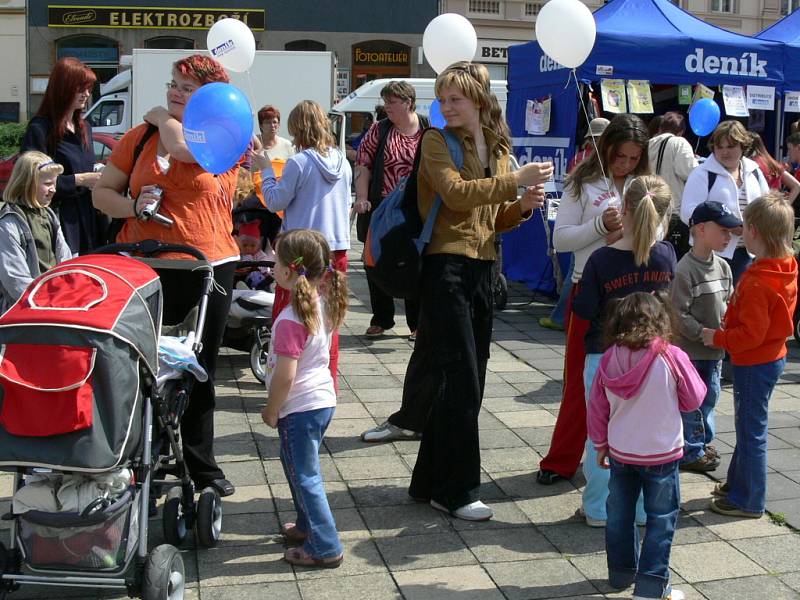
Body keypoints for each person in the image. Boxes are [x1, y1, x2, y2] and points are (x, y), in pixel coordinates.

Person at [403, 61, 552, 521]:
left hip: (483, 269)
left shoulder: (499, 145)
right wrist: (515, 183)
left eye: (456, 99)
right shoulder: (434, 140)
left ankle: (428, 481)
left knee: (470, 381)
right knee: (463, 381)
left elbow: (494, 217)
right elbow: (456, 195)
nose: (446, 107)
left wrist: (521, 207)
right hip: (445, 267)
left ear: (481, 101)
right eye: (444, 99)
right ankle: (458, 490)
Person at [93, 54, 239, 498]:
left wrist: (162, 118)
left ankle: (201, 466)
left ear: (210, 98)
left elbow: (181, 149)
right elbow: (103, 193)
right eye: (172, 84)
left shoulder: (222, 137)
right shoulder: (138, 139)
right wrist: (134, 207)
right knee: (137, 366)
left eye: (187, 88)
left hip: (206, 264)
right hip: (143, 264)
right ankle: (136, 458)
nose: (175, 93)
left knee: (198, 371)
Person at [537, 114, 650, 486]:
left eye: (634, 159)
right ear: (606, 149)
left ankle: (625, 459)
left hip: (634, 295)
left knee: (633, 383)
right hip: (588, 290)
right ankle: (561, 458)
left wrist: (637, 228)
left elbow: (660, 232)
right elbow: (561, 240)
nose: (626, 165)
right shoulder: (582, 182)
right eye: (620, 157)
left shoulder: (644, 184)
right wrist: (600, 227)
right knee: (578, 383)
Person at [573, 175, 677, 527]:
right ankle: (643, 510)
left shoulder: (601, 260)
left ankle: (600, 508)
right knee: (646, 435)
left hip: (606, 358)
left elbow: (584, 309)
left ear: (624, 209)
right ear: (664, 213)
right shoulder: (666, 256)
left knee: (600, 434)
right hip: (654, 360)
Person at [588, 292, 705, 600]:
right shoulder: (671, 355)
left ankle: (621, 574)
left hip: (621, 452)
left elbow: (597, 407)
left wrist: (600, 443)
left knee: (619, 514)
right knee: (661, 520)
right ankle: (651, 588)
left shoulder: (609, 358)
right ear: (661, 320)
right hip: (661, 453)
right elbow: (694, 399)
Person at [701, 193, 798, 518]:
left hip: (754, 362)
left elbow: (749, 336)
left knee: (751, 431)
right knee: (749, 426)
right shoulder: (784, 266)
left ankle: (749, 500)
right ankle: (737, 484)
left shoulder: (758, 281)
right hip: (772, 357)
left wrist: (717, 336)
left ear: (754, 232)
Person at [261, 228, 348, 568]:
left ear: (288, 271)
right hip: (320, 402)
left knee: (305, 476)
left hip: (299, 408)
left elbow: (286, 376)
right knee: (297, 466)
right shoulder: (318, 302)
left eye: (275, 261)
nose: (270, 267)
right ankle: (305, 525)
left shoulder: (289, 319)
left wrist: (271, 410)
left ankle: (325, 547)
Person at [252, 99, 351, 387]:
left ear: (297, 128)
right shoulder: (342, 161)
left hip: (302, 249)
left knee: (292, 315)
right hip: (336, 247)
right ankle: (326, 383)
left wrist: (266, 171)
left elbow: (274, 202)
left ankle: (288, 381)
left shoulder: (299, 162)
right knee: (330, 322)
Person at [354, 81, 428, 339]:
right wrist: (362, 198)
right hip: (383, 208)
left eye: (392, 102)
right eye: (385, 102)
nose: (387, 108)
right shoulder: (380, 129)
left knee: (414, 262)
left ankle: (417, 323)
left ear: (408, 102)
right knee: (376, 261)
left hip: (415, 209)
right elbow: (363, 165)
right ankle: (382, 318)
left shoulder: (428, 128)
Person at [669, 201, 738, 474]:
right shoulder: (685, 269)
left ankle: (703, 442)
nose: (728, 237)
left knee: (711, 397)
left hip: (715, 351)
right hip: (692, 352)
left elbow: (729, 303)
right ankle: (692, 449)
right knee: (692, 402)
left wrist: (729, 326)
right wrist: (703, 334)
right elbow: (677, 313)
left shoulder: (723, 267)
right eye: (722, 230)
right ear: (700, 229)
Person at [21, 57, 105, 254]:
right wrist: (79, 180)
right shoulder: (40, 129)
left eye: (89, 88)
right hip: (59, 222)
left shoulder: (85, 128)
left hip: (90, 220)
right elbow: (31, 180)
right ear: (63, 88)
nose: (86, 94)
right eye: (80, 88)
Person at [540, 118, 611, 333]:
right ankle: (562, 316)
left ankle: (562, 316)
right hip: (584, 230)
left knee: (574, 276)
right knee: (574, 276)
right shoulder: (585, 162)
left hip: (585, 231)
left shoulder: (581, 157)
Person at [681, 120, 769, 284]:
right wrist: (725, 225)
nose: (724, 152)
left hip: (751, 254)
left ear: (743, 146)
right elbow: (687, 213)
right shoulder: (702, 174)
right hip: (712, 256)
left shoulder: (754, 171)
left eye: (730, 147)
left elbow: (767, 206)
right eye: (719, 147)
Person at [0, 151, 72, 313]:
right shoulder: (9, 222)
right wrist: (41, 304)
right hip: (24, 309)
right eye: (47, 184)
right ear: (26, 183)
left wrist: (66, 291)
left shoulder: (49, 215)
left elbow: (64, 259)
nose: (53, 189)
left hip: (54, 301)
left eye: (55, 183)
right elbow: (14, 279)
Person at [648, 111, 698, 260]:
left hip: (649, 211)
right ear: (681, 131)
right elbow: (690, 172)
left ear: (660, 127)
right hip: (672, 213)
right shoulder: (679, 142)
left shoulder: (648, 144)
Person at [746, 132, 800, 205]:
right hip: (774, 209)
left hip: (761, 209)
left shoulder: (750, 164)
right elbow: (796, 186)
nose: (788, 153)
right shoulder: (772, 163)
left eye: (789, 149)